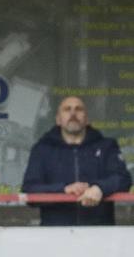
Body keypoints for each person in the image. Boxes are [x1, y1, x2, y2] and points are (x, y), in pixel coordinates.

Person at [21, 95, 131, 226]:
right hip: (55, 235)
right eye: (67, 109)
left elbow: (123, 179)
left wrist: (100, 188)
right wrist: (63, 189)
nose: (73, 113)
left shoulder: (106, 146)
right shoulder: (42, 149)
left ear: (86, 119)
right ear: (58, 119)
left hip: (100, 234)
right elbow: (30, 190)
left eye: (78, 109)